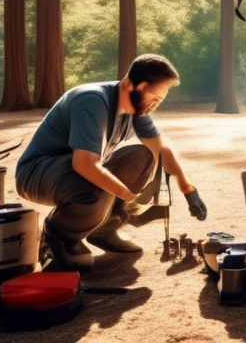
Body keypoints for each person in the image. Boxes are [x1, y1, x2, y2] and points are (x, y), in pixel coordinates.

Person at [15, 54, 207, 271]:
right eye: (156, 99)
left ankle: (103, 228)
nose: (155, 106)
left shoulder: (137, 108)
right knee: (99, 183)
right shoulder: (92, 100)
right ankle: (59, 234)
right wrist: (129, 197)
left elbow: (161, 149)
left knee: (143, 156)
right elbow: (84, 165)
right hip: (36, 174)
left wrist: (188, 189)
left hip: (73, 171)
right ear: (140, 86)